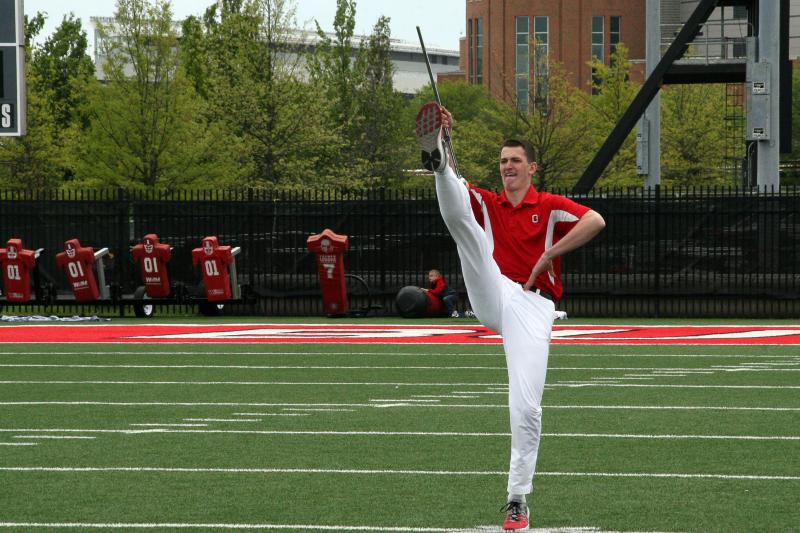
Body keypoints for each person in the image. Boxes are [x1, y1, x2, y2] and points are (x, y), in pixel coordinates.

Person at [416, 101, 606, 531]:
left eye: (515, 160)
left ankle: (517, 498)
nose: (507, 167)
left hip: (533, 305)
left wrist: (548, 254)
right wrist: (446, 143)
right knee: (465, 223)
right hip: (494, 287)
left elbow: (595, 220)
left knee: (526, 407)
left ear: (532, 167)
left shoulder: (550, 204)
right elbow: (462, 212)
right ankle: (439, 158)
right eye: (503, 161)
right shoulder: (490, 203)